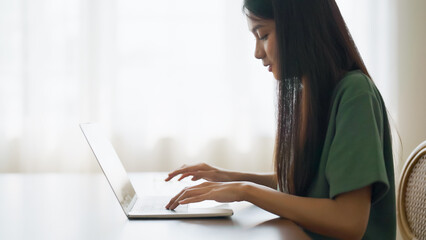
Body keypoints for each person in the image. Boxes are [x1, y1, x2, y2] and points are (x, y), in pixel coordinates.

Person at [164, 0, 396, 239]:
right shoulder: (312, 93)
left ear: (299, 27)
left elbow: (349, 221)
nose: (257, 53)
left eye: (263, 35)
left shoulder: (354, 93)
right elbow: (308, 185)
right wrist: (229, 177)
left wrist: (246, 190)